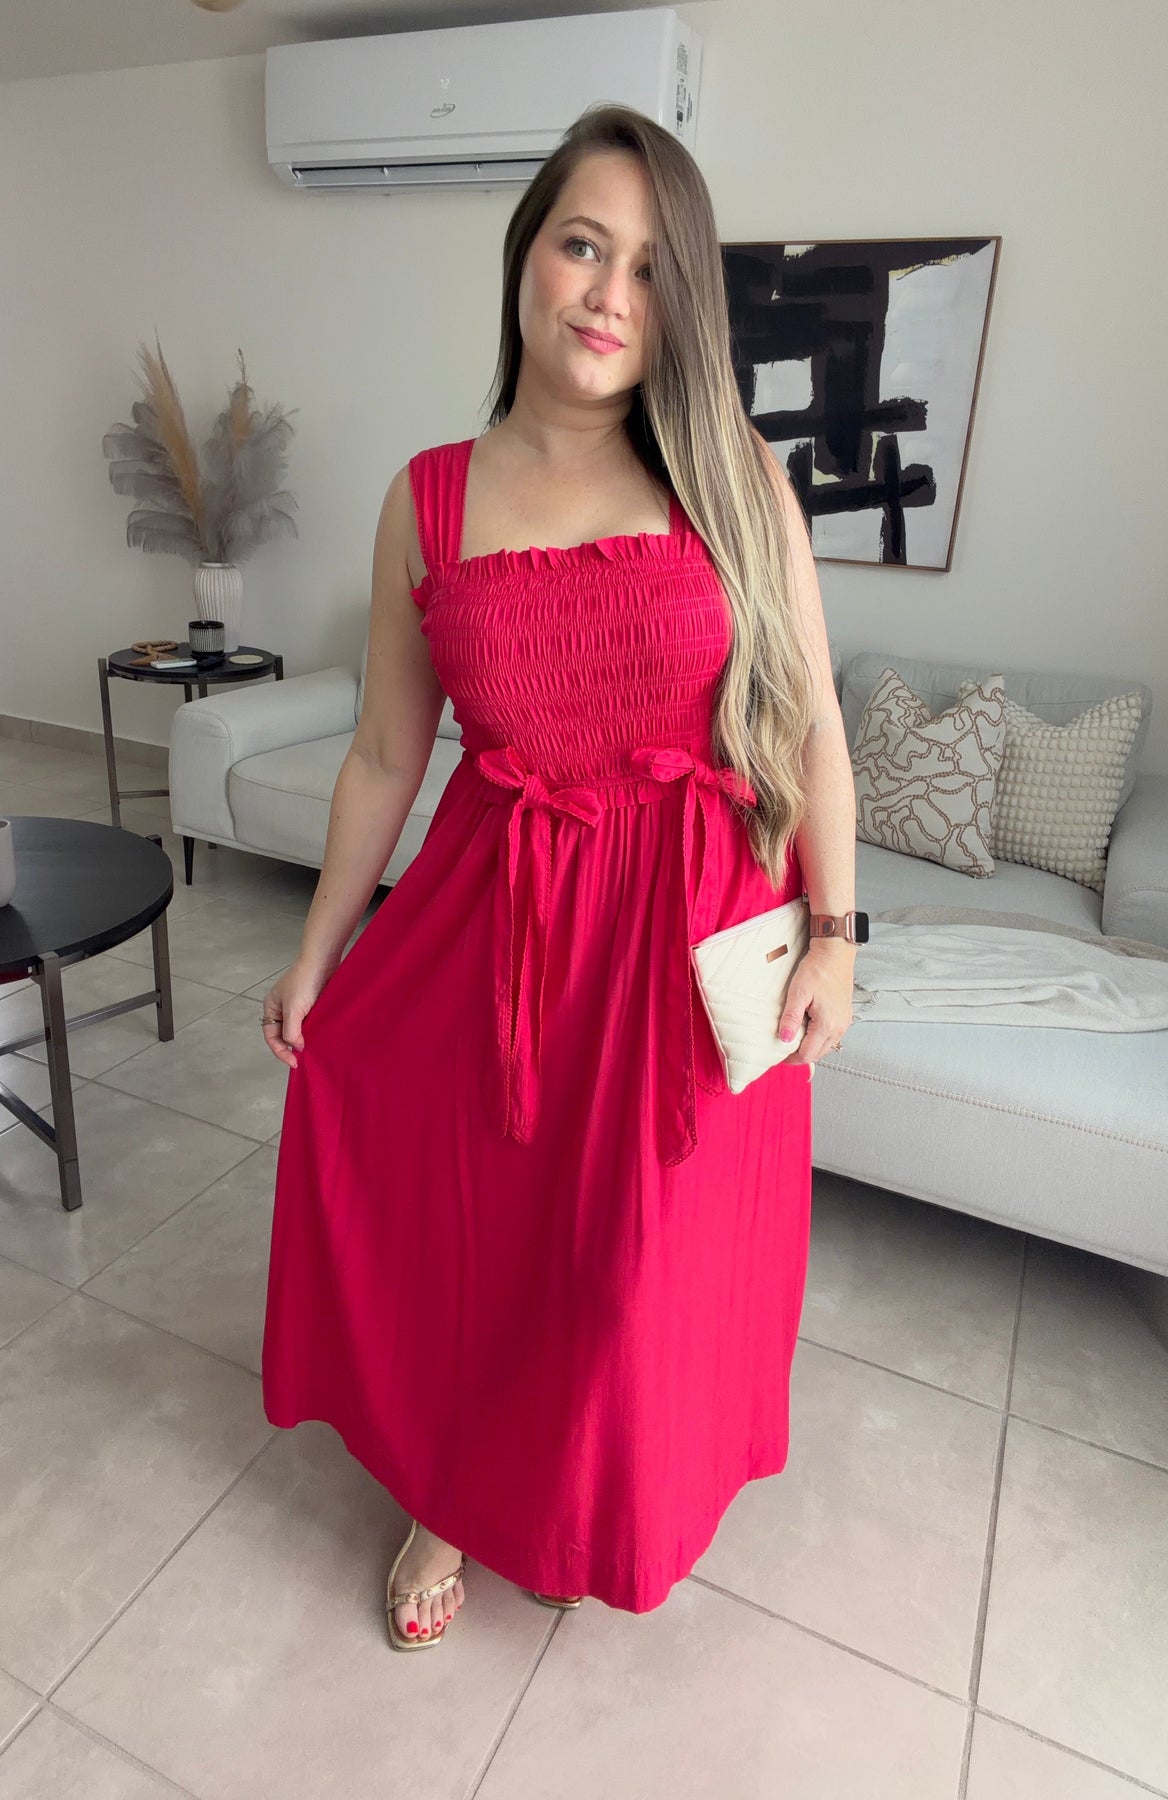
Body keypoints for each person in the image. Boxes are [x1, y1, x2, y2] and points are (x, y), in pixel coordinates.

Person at [259, 102, 858, 1652]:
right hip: (500, 934)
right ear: (527, 252)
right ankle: (449, 1496)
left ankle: (582, 1500)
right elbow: (385, 756)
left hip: (689, 946)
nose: (609, 293)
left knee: (629, 1277)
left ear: (683, 304)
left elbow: (809, 723)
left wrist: (837, 932)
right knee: (483, 1244)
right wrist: (320, 953)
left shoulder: (733, 477)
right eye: (585, 245)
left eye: (651, 269)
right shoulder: (427, 498)